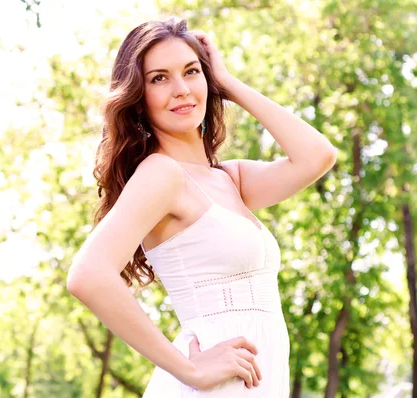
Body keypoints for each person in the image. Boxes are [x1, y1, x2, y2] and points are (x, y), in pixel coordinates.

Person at [66, 17, 337, 397]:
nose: (181, 89)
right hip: (213, 383)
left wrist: (227, 83)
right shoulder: (162, 174)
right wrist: (189, 369)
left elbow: (318, 156)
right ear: (139, 99)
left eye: (191, 72)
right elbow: (87, 275)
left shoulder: (230, 179)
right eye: (159, 78)